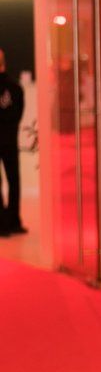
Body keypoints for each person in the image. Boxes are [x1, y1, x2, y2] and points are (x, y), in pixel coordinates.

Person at [0, 48, 26, 236]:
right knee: (14, 180)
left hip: (6, 139)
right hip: (10, 140)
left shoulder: (16, 87)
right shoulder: (16, 88)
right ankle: (13, 221)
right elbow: (18, 114)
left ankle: (3, 223)